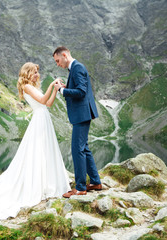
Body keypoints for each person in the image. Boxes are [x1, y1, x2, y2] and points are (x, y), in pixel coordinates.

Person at [0, 62, 71, 222]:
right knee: (38, 151)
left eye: (37, 72)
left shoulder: (32, 86)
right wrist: (52, 84)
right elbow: (42, 98)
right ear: (27, 73)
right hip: (39, 120)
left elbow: (48, 103)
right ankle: (37, 186)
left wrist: (55, 89)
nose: (37, 75)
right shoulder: (26, 86)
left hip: (44, 118)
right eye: (34, 72)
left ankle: (46, 184)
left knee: (46, 152)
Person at [52, 46, 102, 198]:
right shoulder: (74, 68)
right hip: (82, 114)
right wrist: (68, 87)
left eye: (58, 60)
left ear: (65, 55)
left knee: (77, 149)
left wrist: (61, 90)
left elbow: (81, 92)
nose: (57, 64)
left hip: (82, 114)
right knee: (84, 148)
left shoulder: (78, 67)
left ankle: (80, 188)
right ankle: (95, 182)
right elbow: (79, 88)